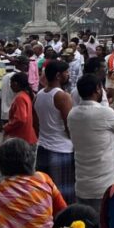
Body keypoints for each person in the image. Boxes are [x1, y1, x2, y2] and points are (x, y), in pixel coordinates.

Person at [67, 74, 114, 213]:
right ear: (98, 90)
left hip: (82, 183)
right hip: (105, 184)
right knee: (106, 227)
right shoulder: (104, 113)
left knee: (88, 227)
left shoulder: (72, 114)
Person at [36, 60, 77, 204]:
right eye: (66, 72)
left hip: (43, 146)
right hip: (62, 149)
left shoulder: (40, 94)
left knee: (46, 192)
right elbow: (70, 126)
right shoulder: (62, 96)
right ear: (58, 76)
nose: (68, 75)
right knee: (63, 195)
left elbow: (36, 124)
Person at [3, 71, 38, 145]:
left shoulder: (20, 97)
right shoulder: (26, 95)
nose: (10, 86)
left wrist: (7, 126)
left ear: (15, 84)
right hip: (27, 137)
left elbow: (20, 119)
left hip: (22, 138)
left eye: (11, 83)